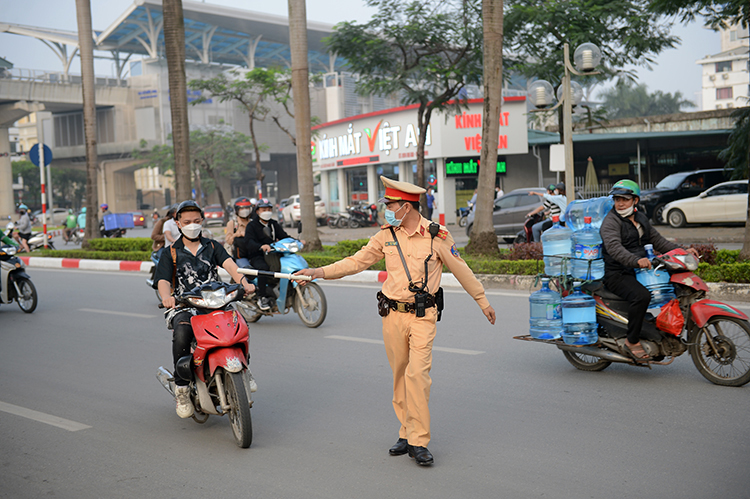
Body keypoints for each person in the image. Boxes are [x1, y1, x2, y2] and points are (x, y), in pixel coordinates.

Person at [296, 176, 496, 467]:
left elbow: (461, 269)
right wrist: (320, 272)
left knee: (418, 375)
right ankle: (405, 431)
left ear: (406, 206)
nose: (385, 210)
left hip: (423, 316)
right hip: (391, 315)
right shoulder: (385, 236)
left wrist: (482, 301)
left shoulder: (436, 236)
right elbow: (357, 261)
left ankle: (419, 440)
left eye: (389, 205)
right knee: (400, 375)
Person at [154, 200, 255, 418]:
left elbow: (230, 266)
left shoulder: (212, 246)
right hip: (185, 305)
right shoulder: (170, 252)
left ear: (202, 221)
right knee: (182, 332)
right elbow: (162, 280)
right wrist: (166, 297)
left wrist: (244, 282)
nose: (192, 225)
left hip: (216, 302)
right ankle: (181, 388)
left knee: (240, 324)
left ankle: (245, 368)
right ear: (178, 223)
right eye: (187, 221)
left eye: (197, 221)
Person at [600, 179, 699, 361]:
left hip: (640, 269)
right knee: (642, 296)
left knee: (674, 288)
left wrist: (682, 251)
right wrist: (636, 260)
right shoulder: (611, 222)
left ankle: (662, 333)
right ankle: (632, 340)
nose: (620, 203)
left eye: (625, 199)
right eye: (617, 199)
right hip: (618, 273)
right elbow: (614, 249)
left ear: (635, 200)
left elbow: (659, 241)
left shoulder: (641, 218)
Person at [238, 198, 290, 311]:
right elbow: (249, 242)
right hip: (257, 255)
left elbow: (284, 236)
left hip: (273, 254)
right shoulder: (252, 226)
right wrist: (260, 246)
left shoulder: (273, 224)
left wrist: (297, 241)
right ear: (257, 211)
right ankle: (262, 297)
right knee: (264, 268)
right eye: (263, 209)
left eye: (268, 209)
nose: (266, 211)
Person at [225, 197, 253, 267]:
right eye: (242, 209)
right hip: (240, 256)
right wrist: (237, 235)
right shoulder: (233, 223)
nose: (244, 211)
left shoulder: (253, 223)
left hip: (253, 254)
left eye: (246, 208)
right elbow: (228, 241)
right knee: (247, 271)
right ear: (237, 210)